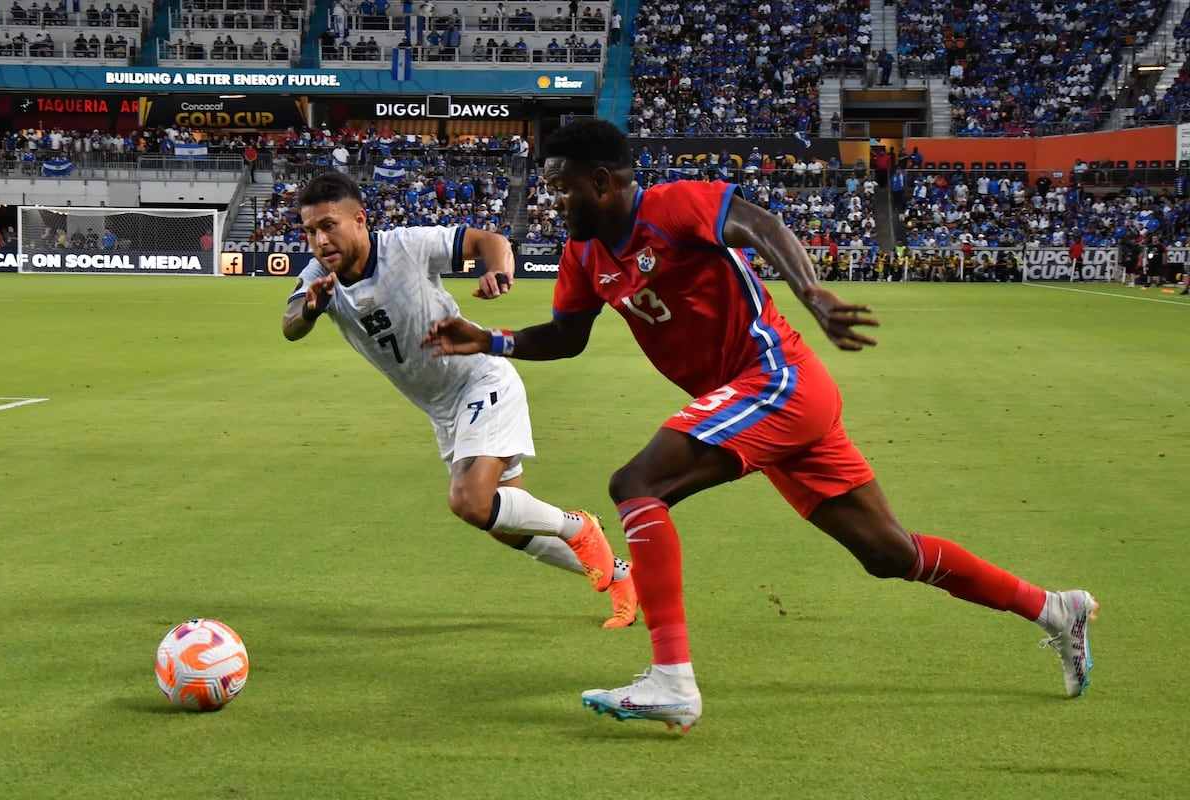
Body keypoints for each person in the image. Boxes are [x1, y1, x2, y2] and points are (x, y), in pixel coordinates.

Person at [423, 119, 1098, 732]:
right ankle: (1054, 608)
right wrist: (490, 339)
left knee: (638, 484)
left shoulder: (670, 206)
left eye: (558, 187)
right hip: (758, 408)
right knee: (889, 554)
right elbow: (566, 338)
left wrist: (810, 292)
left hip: (776, 380)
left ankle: (672, 680)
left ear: (599, 182)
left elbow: (759, 223)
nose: (551, 202)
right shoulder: (585, 256)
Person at [281, 172, 637, 628]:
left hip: (481, 382)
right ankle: (621, 576)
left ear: (360, 220)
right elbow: (291, 323)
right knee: (504, 525)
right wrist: (308, 309)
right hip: (444, 411)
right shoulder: (318, 277)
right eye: (310, 231)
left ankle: (579, 527)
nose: (319, 240)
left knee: (470, 501)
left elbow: (488, 240)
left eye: (328, 225)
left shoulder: (405, 246)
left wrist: (499, 270)